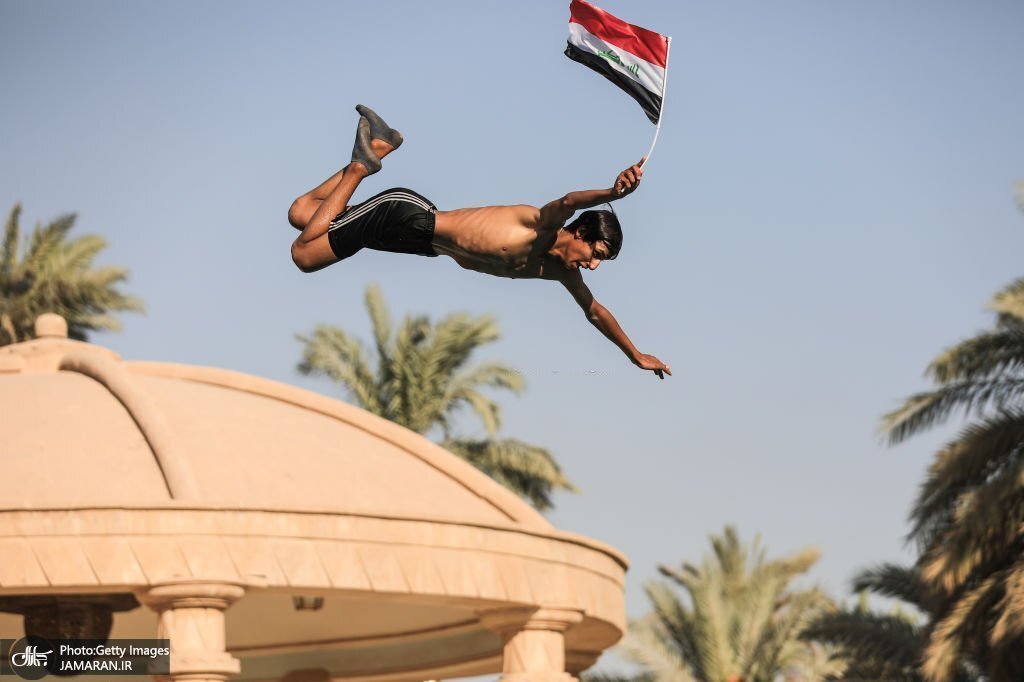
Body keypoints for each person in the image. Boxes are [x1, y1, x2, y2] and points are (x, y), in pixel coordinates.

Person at [288, 105, 671, 379]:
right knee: (304, 255)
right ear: (581, 233)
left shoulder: (558, 271)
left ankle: (380, 145)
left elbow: (595, 311)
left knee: (304, 213)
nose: (592, 265)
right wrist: (612, 193)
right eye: (595, 254)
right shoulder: (541, 225)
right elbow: (569, 201)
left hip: (416, 242)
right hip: (406, 214)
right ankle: (362, 166)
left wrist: (635, 355)